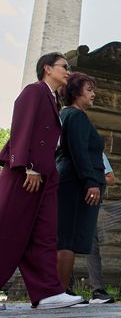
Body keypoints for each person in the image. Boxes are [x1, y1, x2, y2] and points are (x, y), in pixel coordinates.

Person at [0, 53, 84, 309]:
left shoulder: (53, 99)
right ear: (47, 68)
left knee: (45, 234)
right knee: (7, 230)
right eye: (64, 66)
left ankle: (47, 291)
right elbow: (22, 127)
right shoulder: (34, 91)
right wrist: (29, 167)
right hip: (26, 174)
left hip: (47, 176)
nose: (68, 71)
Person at [56, 72, 105, 298]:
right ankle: (60, 291)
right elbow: (79, 152)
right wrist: (91, 182)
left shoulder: (65, 115)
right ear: (76, 93)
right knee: (69, 237)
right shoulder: (76, 117)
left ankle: (60, 290)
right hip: (76, 184)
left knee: (68, 236)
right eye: (89, 90)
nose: (93, 94)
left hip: (70, 181)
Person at [86, 153, 116, 304]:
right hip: (63, 202)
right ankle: (59, 290)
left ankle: (97, 290)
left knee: (92, 245)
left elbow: (111, 178)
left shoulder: (95, 151)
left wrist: (90, 180)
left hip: (88, 204)